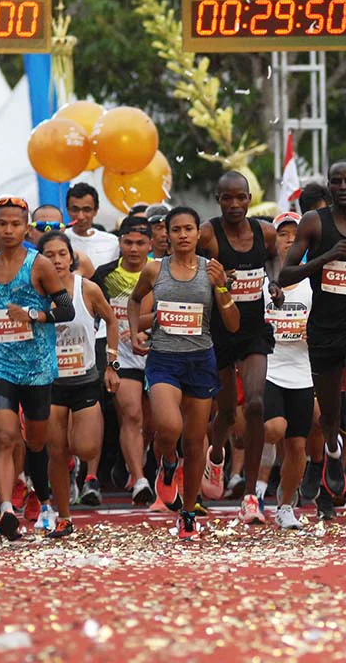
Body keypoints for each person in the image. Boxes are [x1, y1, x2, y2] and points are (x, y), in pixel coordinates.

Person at [279, 161, 346, 520]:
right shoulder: (314, 222)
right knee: (328, 413)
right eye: (336, 181)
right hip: (324, 328)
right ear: (329, 186)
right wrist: (325, 257)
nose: (343, 187)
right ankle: (333, 454)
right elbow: (286, 273)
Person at [0, 195, 73, 541]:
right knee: (4, 437)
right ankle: (6, 509)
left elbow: (66, 309)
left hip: (38, 367)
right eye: (2, 223)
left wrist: (34, 315)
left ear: (27, 228)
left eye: (16, 224)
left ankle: (42, 499)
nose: (9, 230)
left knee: (36, 443)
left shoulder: (39, 265)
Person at [129, 206, 240, 540]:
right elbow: (135, 302)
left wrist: (221, 289)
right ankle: (165, 462)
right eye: (175, 229)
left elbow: (233, 325)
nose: (182, 236)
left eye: (188, 229)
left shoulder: (212, 270)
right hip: (164, 359)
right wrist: (135, 332)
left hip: (200, 360)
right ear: (166, 233)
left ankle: (188, 513)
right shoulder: (154, 270)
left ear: (197, 233)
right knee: (168, 426)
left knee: (194, 443)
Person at [196, 171, 281, 522]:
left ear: (249, 199)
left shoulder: (265, 232)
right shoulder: (208, 235)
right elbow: (189, 269)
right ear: (219, 199)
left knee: (257, 404)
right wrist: (214, 279)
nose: (234, 204)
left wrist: (274, 281)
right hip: (217, 332)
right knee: (228, 414)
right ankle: (216, 455)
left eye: (240, 198)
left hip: (252, 332)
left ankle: (250, 496)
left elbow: (275, 257)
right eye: (226, 198)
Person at [39, 231, 120, 538]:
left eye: (62, 253)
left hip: (85, 378)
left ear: (71, 256)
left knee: (85, 449)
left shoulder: (87, 288)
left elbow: (111, 320)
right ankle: (63, 516)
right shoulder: (34, 292)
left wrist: (111, 363)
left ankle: (73, 464)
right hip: (49, 382)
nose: (57, 260)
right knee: (55, 452)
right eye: (50, 254)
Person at [91, 217, 155, 505]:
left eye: (140, 243)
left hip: (158, 353)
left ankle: (141, 464)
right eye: (127, 242)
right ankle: (140, 479)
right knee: (131, 415)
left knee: (156, 424)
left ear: (150, 244)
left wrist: (141, 326)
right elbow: (94, 313)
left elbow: (169, 311)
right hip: (120, 355)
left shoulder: (160, 271)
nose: (133, 248)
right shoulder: (104, 275)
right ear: (119, 243)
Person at [261, 211, 313, 529]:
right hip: (269, 368)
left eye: (296, 235)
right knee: (274, 429)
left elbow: (327, 325)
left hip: (303, 371)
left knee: (297, 445)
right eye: (284, 234)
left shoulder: (313, 284)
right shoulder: (264, 283)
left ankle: (284, 503)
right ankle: (252, 486)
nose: (290, 240)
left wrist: (316, 333)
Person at [66, 183, 120, 268]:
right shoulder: (60, 240)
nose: (80, 216)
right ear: (68, 210)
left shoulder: (112, 242)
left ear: (95, 211)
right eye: (75, 210)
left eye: (86, 210)